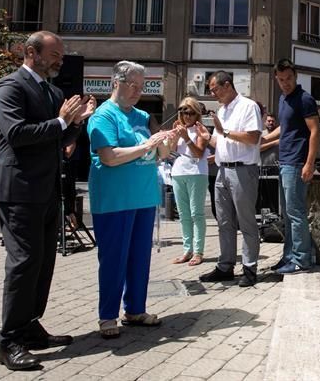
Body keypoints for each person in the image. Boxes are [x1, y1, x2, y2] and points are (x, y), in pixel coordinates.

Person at [0, 31, 94, 370]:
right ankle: (8, 341)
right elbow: (17, 134)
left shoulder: (53, 91)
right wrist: (63, 119)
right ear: (31, 52)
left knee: (43, 262)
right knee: (23, 263)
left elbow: (60, 139)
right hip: (18, 190)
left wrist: (77, 123)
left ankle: (30, 324)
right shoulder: (10, 87)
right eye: (54, 54)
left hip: (48, 190)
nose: (60, 60)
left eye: (61, 55)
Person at [87, 61, 171, 340]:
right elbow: (109, 157)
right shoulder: (103, 115)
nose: (137, 91)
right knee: (113, 259)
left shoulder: (142, 116)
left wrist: (167, 140)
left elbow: (158, 155)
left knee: (139, 258)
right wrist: (146, 145)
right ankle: (107, 316)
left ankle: (135, 309)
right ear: (116, 83)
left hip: (144, 196)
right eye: (132, 85)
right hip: (115, 199)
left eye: (142, 86)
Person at [199, 71, 263, 285]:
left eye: (214, 88)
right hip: (222, 170)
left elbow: (253, 137)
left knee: (246, 221)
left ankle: (249, 268)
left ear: (227, 85)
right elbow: (219, 141)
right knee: (224, 221)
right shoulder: (223, 110)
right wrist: (205, 136)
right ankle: (225, 265)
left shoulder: (248, 106)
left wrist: (224, 131)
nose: (212, 93)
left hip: (243, 171)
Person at [262, 59, 320, 274]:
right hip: (285, 162)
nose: (285, 83)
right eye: (281, 80)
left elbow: (315, 131)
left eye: (288, 78)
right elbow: (285, 129)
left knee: (296, 215)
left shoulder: (305, 99)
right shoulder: (283, 99)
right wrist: (265, 138)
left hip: (297, 163)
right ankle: (288, 257)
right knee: (287, 215)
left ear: (295, 76)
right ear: (276, 79)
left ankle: (302, 260)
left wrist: (309, 163)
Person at [169, 98, 210, 267]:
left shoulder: (201, 129)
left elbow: (198, 153)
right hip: (178, 172)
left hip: (196, 173)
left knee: (196, 213)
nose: (187, 116)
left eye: (191, 112)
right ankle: (187, 250)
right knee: (183, 214)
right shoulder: (179, 128)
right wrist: (174, 137)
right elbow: (171, 151)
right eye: (184, 112)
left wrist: (186, 138)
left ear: (197, 113)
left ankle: (198, 251)